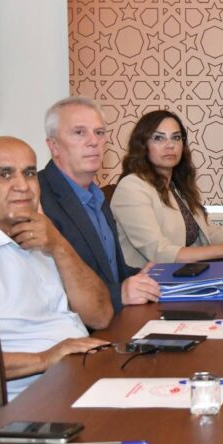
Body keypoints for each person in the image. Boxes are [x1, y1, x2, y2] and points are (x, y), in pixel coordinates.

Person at [0, 137, 111, 399]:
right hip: (27, 399)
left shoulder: (42, 233)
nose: (23, 186)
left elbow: (100, 316)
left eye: (29, 173)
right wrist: (44, 358)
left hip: (83, 373)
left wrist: (59, 245)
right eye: (5, 175)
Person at [111, 110, 223, 266]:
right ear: (143, 145)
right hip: (150, 284)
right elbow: (159, 252)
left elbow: (208, 232)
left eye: (176, 137)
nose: (170, 145)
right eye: (159, 138)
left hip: (184, 275)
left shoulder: (175, 186)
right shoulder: (132, 187)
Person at [39, 97, 160, 311]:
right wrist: (118, 294)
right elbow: (47, 293)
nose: (93, 141)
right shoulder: (37, 198)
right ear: (54, 146)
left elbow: (110, 274)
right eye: (79, 132)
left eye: (99, 132)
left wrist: (142, 275)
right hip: (75, 327)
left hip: (115, 319)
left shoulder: (98, 196)